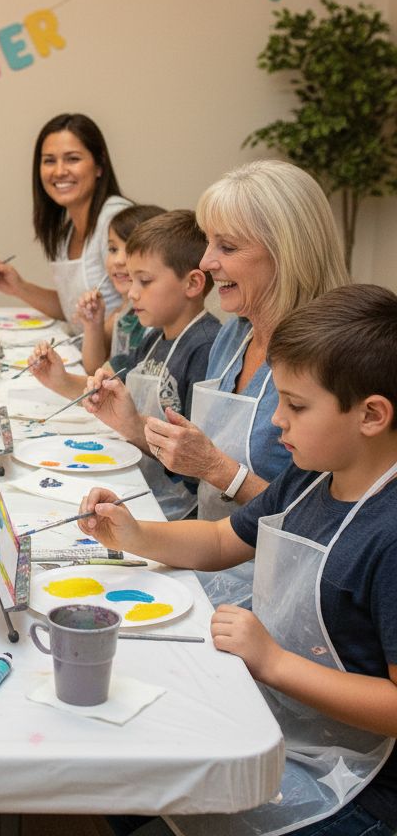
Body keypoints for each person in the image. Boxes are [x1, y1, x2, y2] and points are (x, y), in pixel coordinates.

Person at [85, 285, 397, 836]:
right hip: (280, 714)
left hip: (355, 782)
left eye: (296, 405)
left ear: (371, 414)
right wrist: (134, 534)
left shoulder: (389, 534)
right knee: (122, 769)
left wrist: (273, 662)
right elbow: (219, 540)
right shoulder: (311, 477)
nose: (277, 421)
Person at [83, 161, 348, 601]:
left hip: (279, 588)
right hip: (210, 553)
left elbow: (323, 523)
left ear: (285, 252)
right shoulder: (232, 337)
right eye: (208, 243)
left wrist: (217, 469)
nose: (206, 262)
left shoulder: (329, 361)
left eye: (226, 246)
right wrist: (133, 426)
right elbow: (210, 504)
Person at [31, 210, 221, 519]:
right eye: (132, 281)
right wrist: (61, 380)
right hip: (144, 487)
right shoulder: (154, 337)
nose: (132, 293)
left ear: (193, 283)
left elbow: (195, 463)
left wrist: (131, 425)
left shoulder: (206, 348)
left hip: (179, 512)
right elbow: (112, 393)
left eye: (144, 281)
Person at [0, 113, 131, 326]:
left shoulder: (115, 221)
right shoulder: (67, 232)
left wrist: (94, 342)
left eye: (72, 159)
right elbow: (73, 311)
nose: (59, 171)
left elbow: (134, 306)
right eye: (49, 161)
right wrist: (19, 287)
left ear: (99, 165)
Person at [75, 203, 167, 375]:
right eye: (113, 249)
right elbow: (95, 369)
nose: (118, 260)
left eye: (131, 250)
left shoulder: (157, 318)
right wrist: (93, 325)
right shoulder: (125, 312)